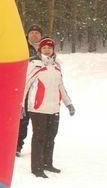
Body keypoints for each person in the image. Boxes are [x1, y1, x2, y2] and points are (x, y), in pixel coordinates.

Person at [23, 38, 75, 178]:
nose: (47, 50)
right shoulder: (35, 64)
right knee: (39, 138)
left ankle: (47, 163)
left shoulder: (57, 66)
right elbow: (25, 85)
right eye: (44, 48)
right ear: (40, 49)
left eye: (50, 48)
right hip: (38, 108)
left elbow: (60, 86)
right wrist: (21, 105)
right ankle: (37, 168)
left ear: (53, 50)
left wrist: (68, 103)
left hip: (54, 108)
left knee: (50, 137)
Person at [16, 25, 44, 156]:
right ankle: (17, 146)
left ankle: (42, 149)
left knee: (41, 120)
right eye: (32, 33)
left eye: (37, 33)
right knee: (23, 119)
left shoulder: (46, 47)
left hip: (41, 88)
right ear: (28, 35)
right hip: (25, 87)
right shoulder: (21, 46)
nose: (34, 35)